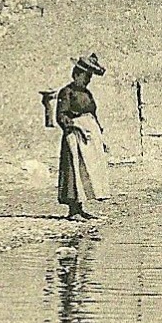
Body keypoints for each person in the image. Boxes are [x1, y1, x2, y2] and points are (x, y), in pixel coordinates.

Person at [55, 53, 111, 220]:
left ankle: (81, 208)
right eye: (85, 77)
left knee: (87, 171)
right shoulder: (67, 92)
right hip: (74, 135)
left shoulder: (87, 94)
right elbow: (61, 115)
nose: (87, 81)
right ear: (76, 75)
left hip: (89, 136)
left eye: (89, 79)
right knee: (74, 169)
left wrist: (100, 135)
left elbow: (93, 115)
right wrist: (74, 125)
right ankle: (73, 209)